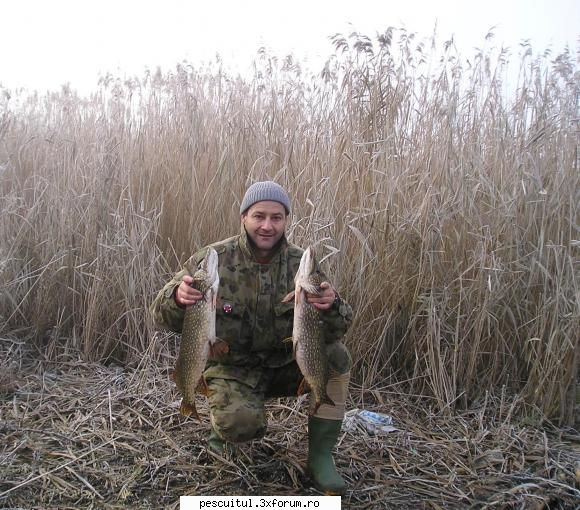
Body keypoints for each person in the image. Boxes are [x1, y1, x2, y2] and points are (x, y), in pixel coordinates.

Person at [150, 181, 353, 495]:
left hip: (287, 365)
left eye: (276, 217)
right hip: (234, 370)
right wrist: (177, 298)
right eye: (259, 216)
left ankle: (321, 457)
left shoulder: (301, 264)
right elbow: (161, 316)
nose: (267, 226)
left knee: (338, 357)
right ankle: (224, 430)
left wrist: (332, 305)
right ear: (244, 217)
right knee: (240, 423)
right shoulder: (214, 259)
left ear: (286, 220)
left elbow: (336, 330)